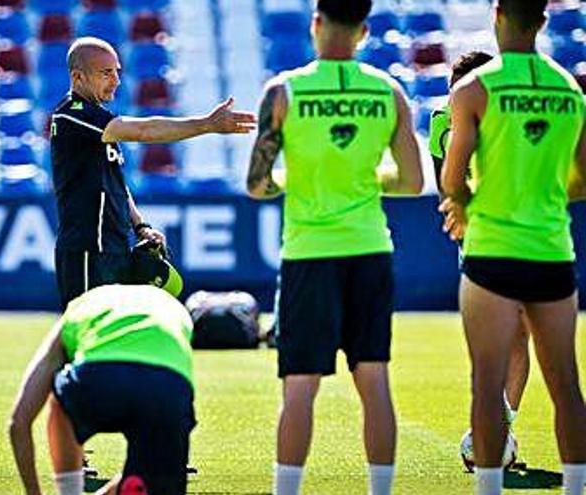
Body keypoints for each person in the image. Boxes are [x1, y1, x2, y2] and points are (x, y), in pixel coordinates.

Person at [246, 0, 424, 493]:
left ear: (315, 25)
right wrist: (367, 180)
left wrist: (297, 180)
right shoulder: (388, 92)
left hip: (308, 253)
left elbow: (257, 185)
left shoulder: (283, 91)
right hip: (370, 249)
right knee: (375, 381)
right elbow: (412, 182)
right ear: (365, 32)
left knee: (300, 388)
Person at [439, 0, 586, 493]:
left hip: (492, 250)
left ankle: (488, 488)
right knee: (567, 385)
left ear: (498, 14)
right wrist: (537, 192)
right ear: (543, 22)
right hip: (550, 249)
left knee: (487, 382)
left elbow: (451, 177)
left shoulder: (473, 88)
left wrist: (463, 205)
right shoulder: (570, 89)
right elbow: (583, 180)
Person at [50, 36, 256, 310]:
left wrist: (140, 226)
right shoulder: (72, 115)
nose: (116, 80)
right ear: (78, 77)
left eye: (117, 72)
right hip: (88, 247)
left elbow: (116, 184)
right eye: (106, 73)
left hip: (114, 246)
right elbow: (143, 130)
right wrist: (206, 124)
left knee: (114, 336)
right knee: (84, 335)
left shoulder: (96, 119)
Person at [430, 51, 530, 469]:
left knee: (519, 336)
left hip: (521, 234)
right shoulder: (441, 121)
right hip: (480, 240)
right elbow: (445, 185)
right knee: (502, 339)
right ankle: (495, 428)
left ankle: (498, 428)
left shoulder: (510, 115)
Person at [9, 284, 196, 495]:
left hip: (98, 379)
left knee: (60, 401)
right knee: (143, 480)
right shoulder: (173, 306)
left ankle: (69, 493)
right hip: (168, 391)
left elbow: (18, 422)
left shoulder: (81, 306)